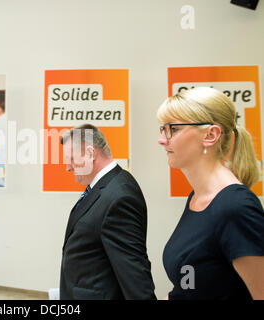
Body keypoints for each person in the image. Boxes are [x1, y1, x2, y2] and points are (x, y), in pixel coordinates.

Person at [157, 86, 264, 300]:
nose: (162, 139)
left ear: (211, 135)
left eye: (173, 129)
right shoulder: (196, 198)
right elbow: (190, 288)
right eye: (162, 129)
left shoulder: (235, 207)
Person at [60, 123, 156, 300]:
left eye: (71, 159)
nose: (68, 167)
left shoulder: (119, 196)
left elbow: (134, 272)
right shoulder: (103, 187)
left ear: (90, 153)